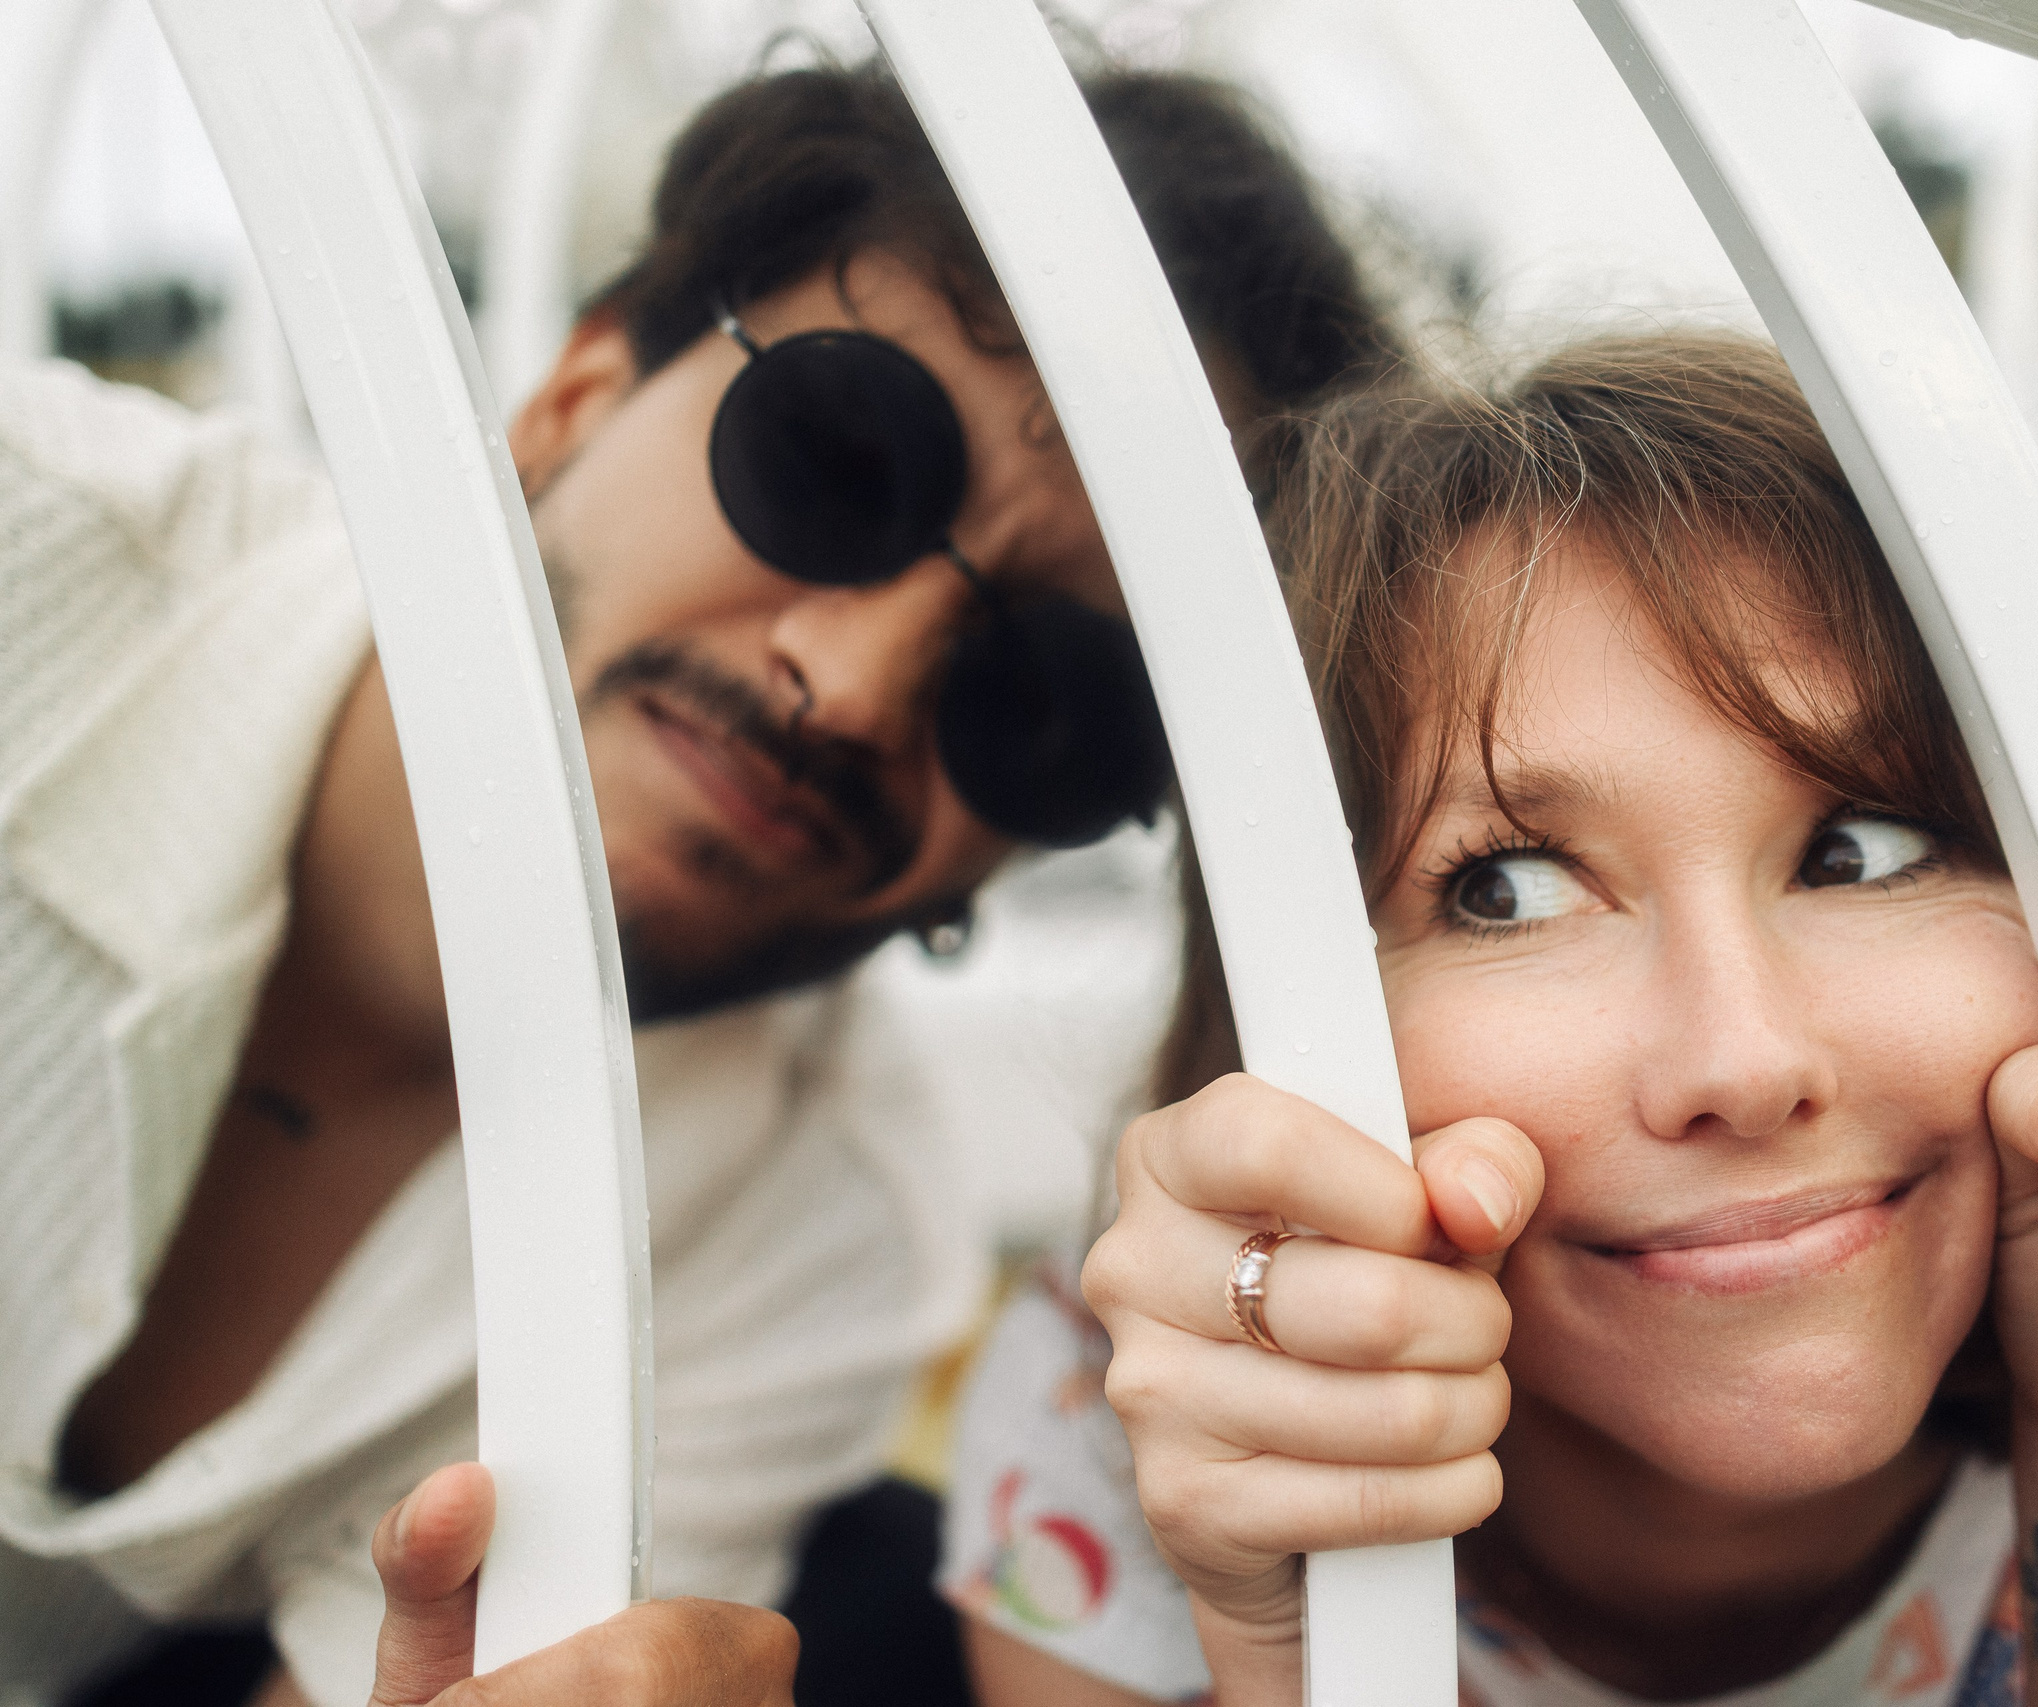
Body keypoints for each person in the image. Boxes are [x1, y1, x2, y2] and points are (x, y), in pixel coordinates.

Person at [0, 57, 1394, 1707]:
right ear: (573, 398)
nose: (859, 686)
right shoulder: (36, 557)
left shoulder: (818, 1243)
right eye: (835, 460)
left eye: (1053, 696)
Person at [940, 334, 2038, 1707]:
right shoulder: (1130, 1446)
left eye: (1864, 850)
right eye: (1505, 890)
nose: (1746, 1062)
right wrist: (1293, 1647)